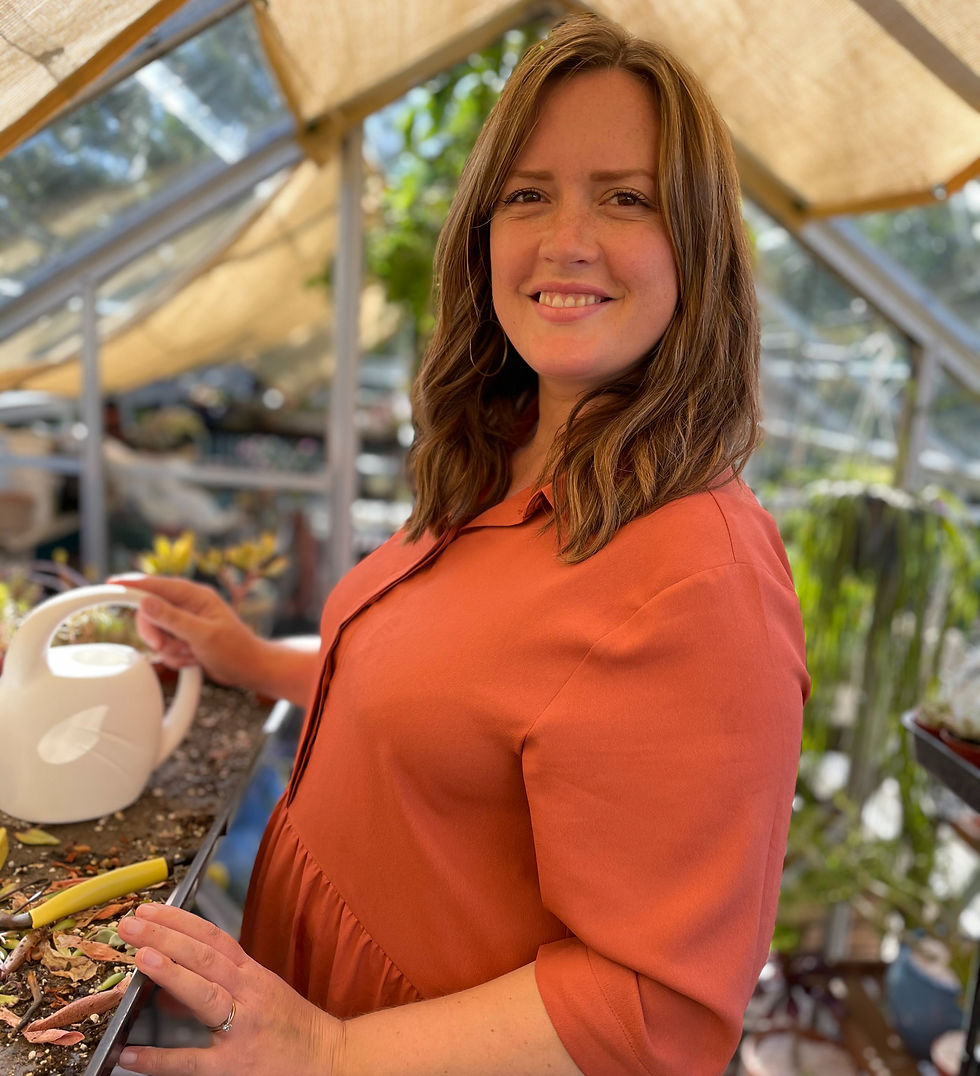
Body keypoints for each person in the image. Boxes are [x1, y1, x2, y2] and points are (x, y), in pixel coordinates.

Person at [113, 12, 809, 1075]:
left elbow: (653, 1011)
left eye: (623, 197)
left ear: (697, 245)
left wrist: (332, 1049)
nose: (563, 238)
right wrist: (254, 660)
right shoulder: (498, 459)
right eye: (527, 193)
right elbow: (452, 711)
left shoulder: (700, 577)